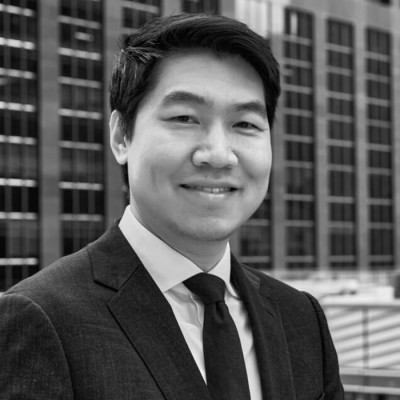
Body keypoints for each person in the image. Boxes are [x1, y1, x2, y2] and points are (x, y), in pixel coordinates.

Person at [0, 13, 344, 400]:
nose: (218, 154)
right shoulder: (40, 318)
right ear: (122, 136)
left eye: (245, 124)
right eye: (184, 118)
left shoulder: (301, 318)